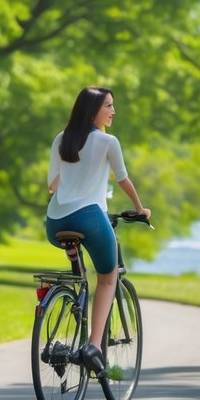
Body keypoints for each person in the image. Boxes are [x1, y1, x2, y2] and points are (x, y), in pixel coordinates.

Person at [46, 86, 150, 374]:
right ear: (93, 110)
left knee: (81, 271)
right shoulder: (108, 141)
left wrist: (75, 181)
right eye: (108, 106)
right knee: (108, 277)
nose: (113, 111)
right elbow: (123, 180)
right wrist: (140, 208)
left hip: (55, 221)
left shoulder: (60, 139)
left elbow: (53, 185)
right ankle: (93, 346)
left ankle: (71, 302)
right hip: (90, 218)